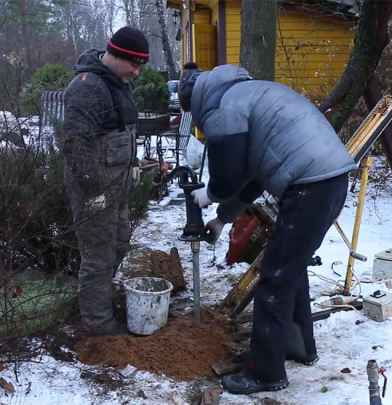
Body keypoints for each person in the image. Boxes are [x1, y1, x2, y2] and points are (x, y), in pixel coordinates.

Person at [178, 63, 357, 394]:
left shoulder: (224, 109)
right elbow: (253, 178)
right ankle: (298, 346)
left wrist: (210, 194)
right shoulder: (250, 93)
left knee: (274, 277)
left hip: (309, 185)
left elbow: (228, 176)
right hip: (330, 180)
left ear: (196, 101)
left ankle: (265, 374)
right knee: (289, 267)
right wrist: (223, 218)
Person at [56, 26, 149, 335]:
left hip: (116, 186)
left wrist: (132, 167)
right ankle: (98, 325)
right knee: (98, 256)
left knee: (120, 242)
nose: (137, 72)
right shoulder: (87, 87)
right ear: (116, 55)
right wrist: (91, 189)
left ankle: (99, 300)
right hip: (94, 190)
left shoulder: (116, 81)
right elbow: (74, 143)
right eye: (134, 64)